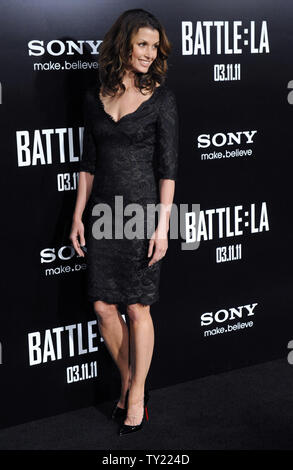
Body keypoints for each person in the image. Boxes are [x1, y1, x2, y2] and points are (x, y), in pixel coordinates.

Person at [70, 8, 179, 436]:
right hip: (101, 213)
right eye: (142, 44)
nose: (150, 53)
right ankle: (134, 380)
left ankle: (134, 397)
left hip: (139, 214)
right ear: (123, 45)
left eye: (155, 46)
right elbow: (87, 163)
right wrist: (79, 214)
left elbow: (168, 167)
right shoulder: (94, 97)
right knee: (102, 307)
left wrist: (162, 225)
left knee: (137, 308)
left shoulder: (162, 98)